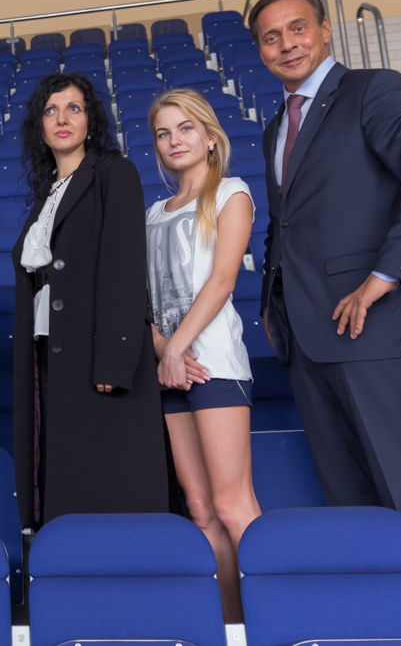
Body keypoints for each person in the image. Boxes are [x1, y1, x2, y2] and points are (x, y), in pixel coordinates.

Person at [252, 0, 401, 616]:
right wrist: (272, 300)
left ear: (325, 31)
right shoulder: (276, 126)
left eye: (297, 28)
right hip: (307, 333)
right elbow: (285, 223)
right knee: (351, 501)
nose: (287, 44)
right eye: (271, 37)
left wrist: (385, 275)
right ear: (260, 50)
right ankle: (391, 618)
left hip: (371, 324)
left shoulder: (372, 90)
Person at [12, 72, 169, 528]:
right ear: (40, 126)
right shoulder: (47, 191)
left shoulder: (114, 172)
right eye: (51, 111)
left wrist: (114, 361)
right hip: (52, 350)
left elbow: (124, 266)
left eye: (73, 109)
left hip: (98, 353)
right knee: (69, 474)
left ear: (90, 120)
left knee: (110, 475)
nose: (62, 119)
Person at [145, 88, 260, 623]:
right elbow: (143, 300)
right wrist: (163, 350)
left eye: (186, 128)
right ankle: (232, 625)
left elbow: (222, 280)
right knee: (199, 510)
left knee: (233, 505)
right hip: (171, 369)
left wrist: (178, 349)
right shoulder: (152, 213)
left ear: (210, 137)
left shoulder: (231, 193)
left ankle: (269, 622)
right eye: (163, 133)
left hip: (213, 365)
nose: (175, 140)